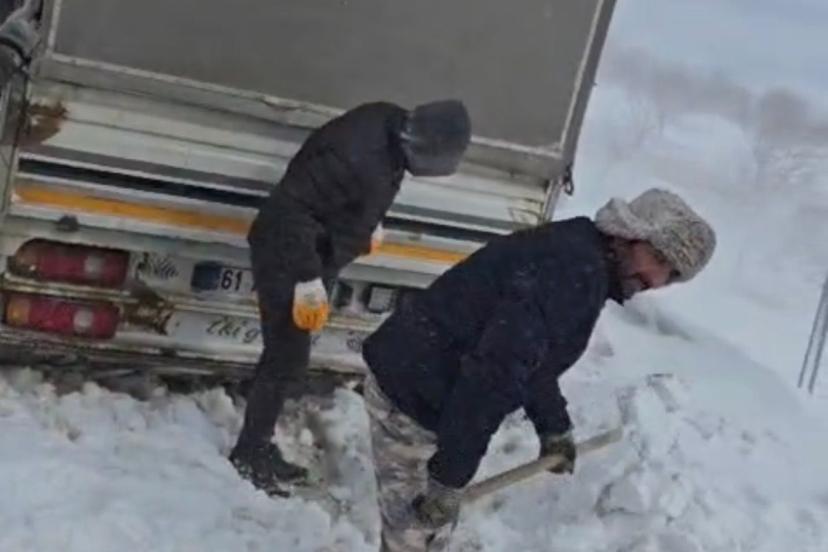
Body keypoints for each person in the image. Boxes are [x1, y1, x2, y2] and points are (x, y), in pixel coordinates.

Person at [361, 188, 716, 551]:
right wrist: (449, 477)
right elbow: (494, 375)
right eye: (657, 257)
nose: (655, 278)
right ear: (628, 232)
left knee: (427, 529)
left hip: (428, 378)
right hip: (411, 392)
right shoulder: (572, 270)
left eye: (670, 274)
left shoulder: (583, 258)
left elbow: (533, 359)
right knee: (417, 535)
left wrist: (553, 424)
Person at [230, 99, 472, 495]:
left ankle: (257, 428)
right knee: (286, 356)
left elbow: (353, 191)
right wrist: (306, 278)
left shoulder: (389, 129)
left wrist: (366, 223)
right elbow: (291, 210)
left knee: (285, 353)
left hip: (313, 252)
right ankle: (249, 452)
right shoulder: (359, 154)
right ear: (426, 147)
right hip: (288, 252)